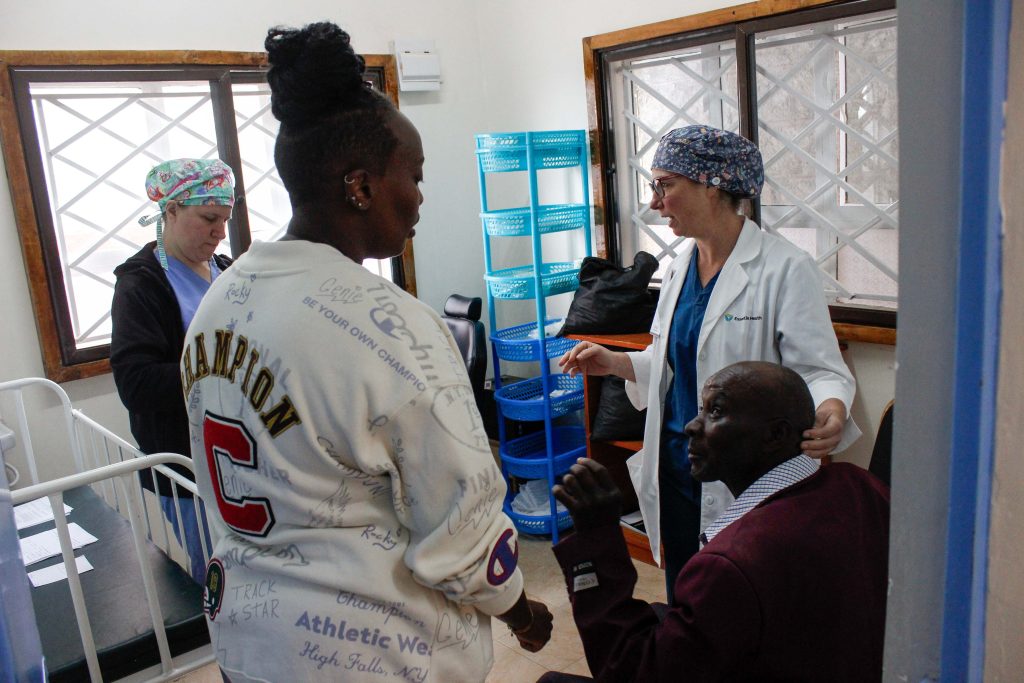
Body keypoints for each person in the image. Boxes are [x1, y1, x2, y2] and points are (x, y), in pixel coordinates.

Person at [182, 21, 552, 683]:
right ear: (360, 186)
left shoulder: (220, 301)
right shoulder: (394, 328)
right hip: (371, 654)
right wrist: (520, 612)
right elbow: (460, 529)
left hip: (249, 638)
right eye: (414, 175)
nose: (420, 197)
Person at [558, 125, 859, 598]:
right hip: (679, 466)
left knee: (746, 592)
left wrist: (833, 409)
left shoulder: (784, 268)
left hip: (746, 472)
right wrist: (615, 363)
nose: (655, 202)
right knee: (688, 590)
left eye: (665, 185)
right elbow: (676, 362)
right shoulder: (679, 267)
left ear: (712, 186)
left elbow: (819, 370)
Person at [543, 361, 890, 682]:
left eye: (716, 411)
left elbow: (632, 671)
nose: (691, 426)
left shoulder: (731, 564)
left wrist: (597, 541)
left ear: (775, 435)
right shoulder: (859, 484)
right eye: (701, 410)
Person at [110, 157, 235, 581]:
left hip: (241, 458)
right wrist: (225, 372)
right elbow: (136, 383)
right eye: (209, 219)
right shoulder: (142, 283)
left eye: (225, 220)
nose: (220, 232)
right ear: (172, 210)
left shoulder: (227, 270)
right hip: (187, 467)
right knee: (221, 582)